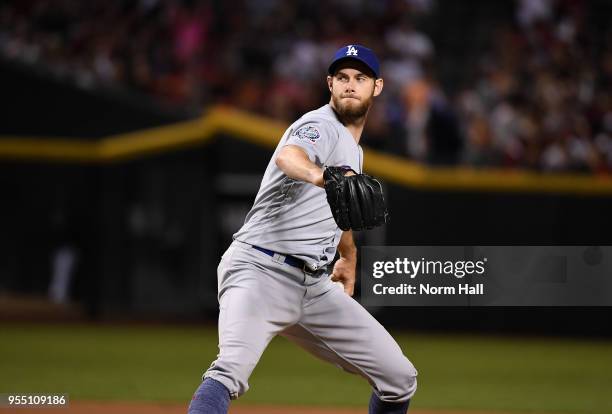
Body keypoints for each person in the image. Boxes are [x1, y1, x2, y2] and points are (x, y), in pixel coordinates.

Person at [188, 44, 417, 414]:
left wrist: (348, 254)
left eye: (360, 78)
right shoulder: (319, 126)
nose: (350, 85)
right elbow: (289, 156)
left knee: (400, 378)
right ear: (329, 84)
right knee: (229, 372)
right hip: (259, 270)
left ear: (377, 87)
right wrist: (318, 174)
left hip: (314, 288)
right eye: (342, 78)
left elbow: (338, 205)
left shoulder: (354, 150)